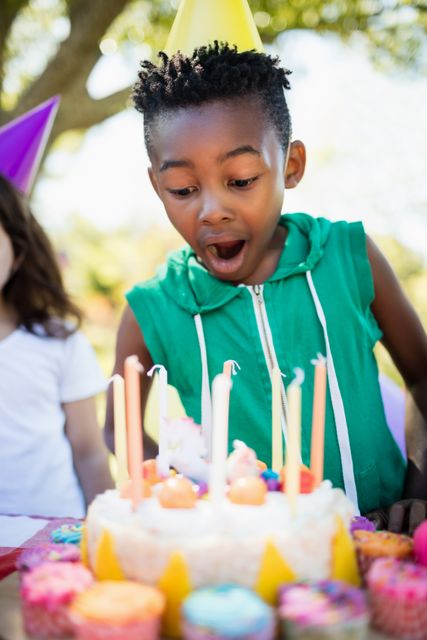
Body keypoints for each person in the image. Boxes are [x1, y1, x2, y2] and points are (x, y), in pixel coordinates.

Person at [104, 43, 427, 532]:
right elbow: (118, 426)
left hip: (383, 541)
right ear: (156, 186)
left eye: (241, 179)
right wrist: (182, 496)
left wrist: (418, 494)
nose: (212, 209)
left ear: (291, 165)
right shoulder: (153, 308)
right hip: (240, 563)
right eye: (184, 190)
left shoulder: (350, 257)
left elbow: (422, 377)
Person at [0, 174, 113, 518]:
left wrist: (103, 528)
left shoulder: (58, 342)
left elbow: (89, 451)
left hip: (53, 538)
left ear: (17, 253)